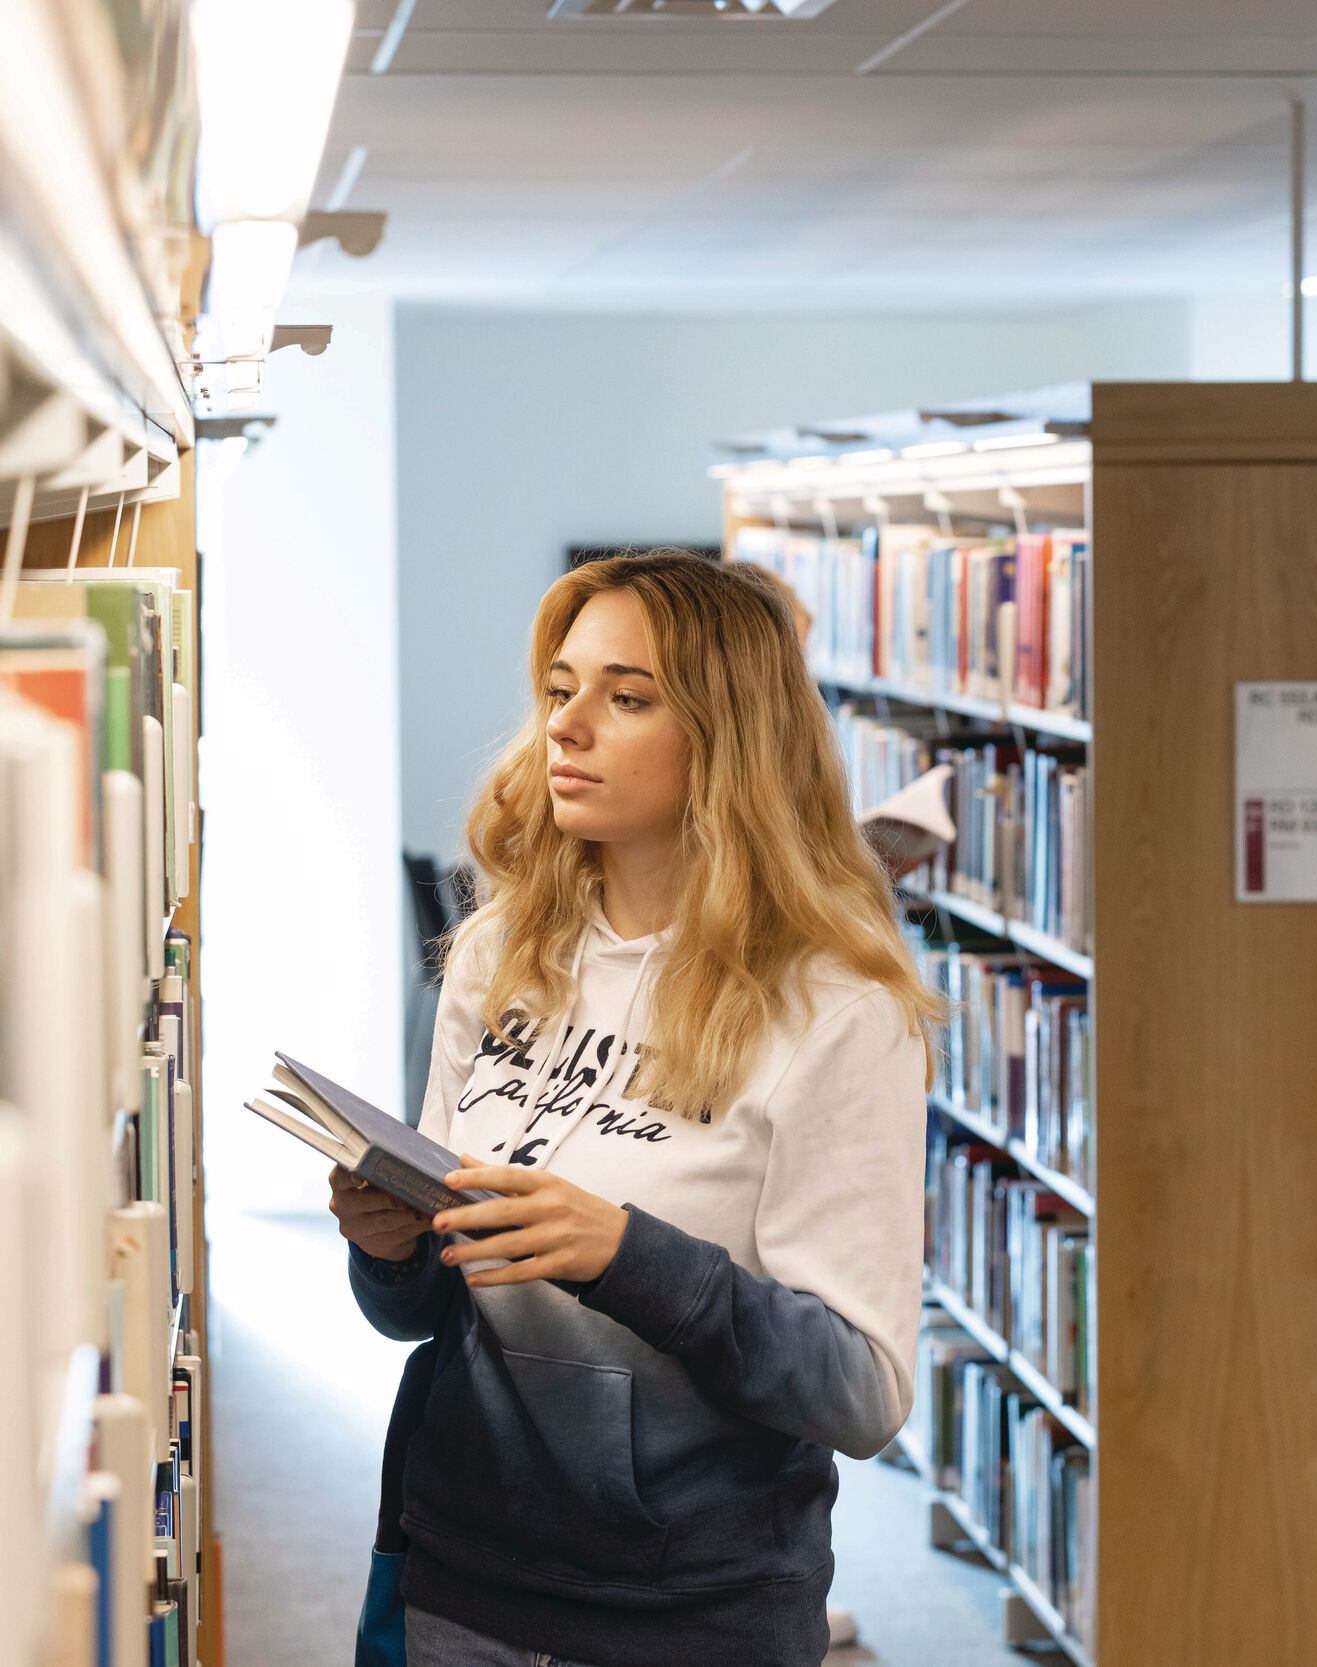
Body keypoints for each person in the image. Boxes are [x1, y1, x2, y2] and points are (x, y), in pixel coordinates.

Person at [330, 551, 937, 1667]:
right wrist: (392, 1247)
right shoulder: (500, 956)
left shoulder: (837, 1011)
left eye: (626, 696)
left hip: (688, 1615)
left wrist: (624, 1254)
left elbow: (860, 1392)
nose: (565, 726)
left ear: (728, 732)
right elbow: (423, 1314)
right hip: (461, 1573)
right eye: (560, 689)